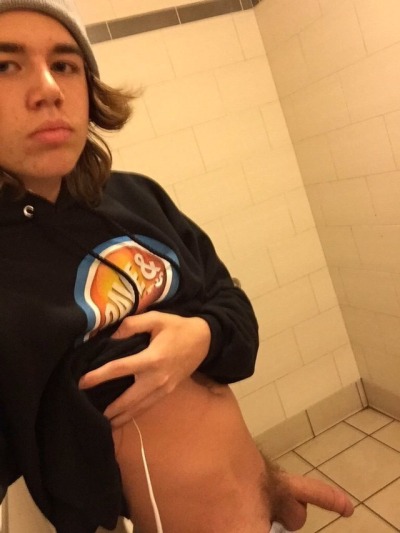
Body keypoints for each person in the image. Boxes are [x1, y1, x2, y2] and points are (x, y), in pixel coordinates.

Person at [0, 1, 354, 532]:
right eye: (6, 65)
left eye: (65, 64)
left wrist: (202, 337)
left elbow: (232, 307)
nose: (48, 89)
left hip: (261, 504)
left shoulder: (138, 197)